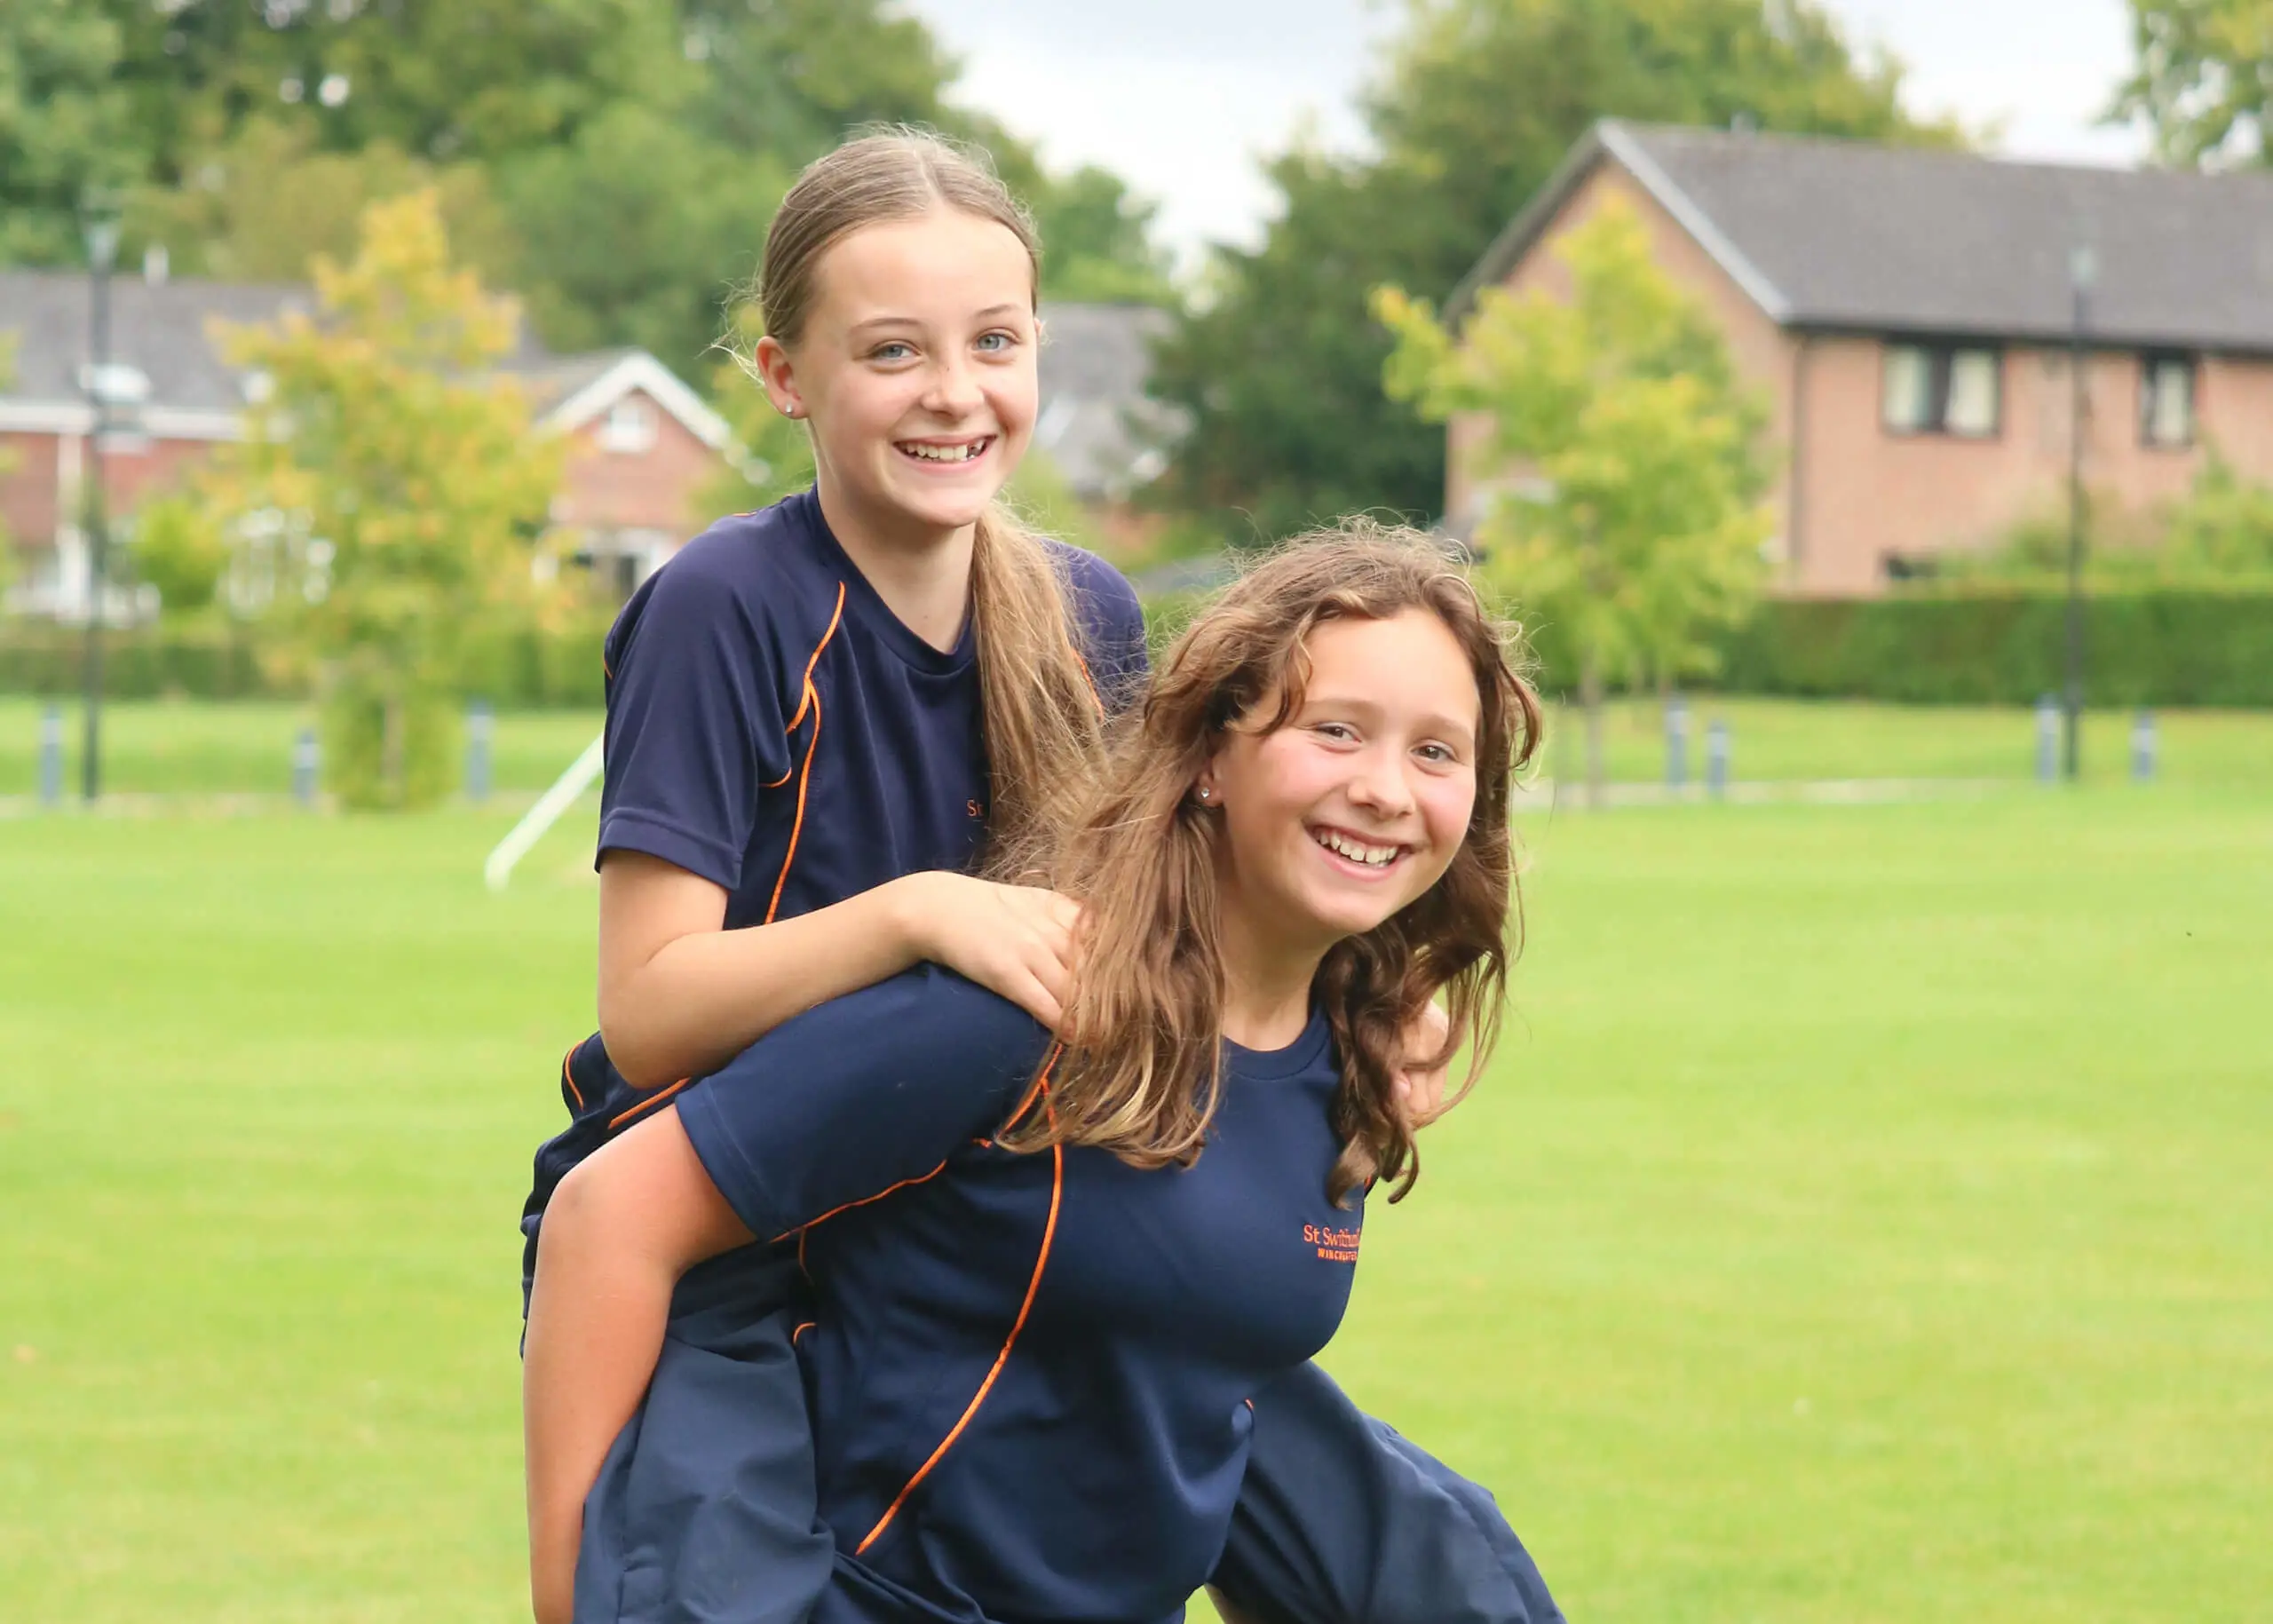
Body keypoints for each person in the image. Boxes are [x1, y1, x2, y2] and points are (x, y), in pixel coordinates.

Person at [518, 129, 1563, 1624]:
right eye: (894, 348)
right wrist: (912, 917)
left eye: (994, 341)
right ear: (782, 375)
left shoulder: (1081, 606)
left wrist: (1359, 1006)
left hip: (988, 1196)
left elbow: (1193, 871)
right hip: (739, 1235)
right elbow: (646, 1021)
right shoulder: (728, 604)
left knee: (1427, 1567)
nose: (954, 389)